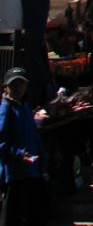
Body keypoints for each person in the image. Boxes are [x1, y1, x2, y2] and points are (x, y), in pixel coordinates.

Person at [0, 67, 48, 226]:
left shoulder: (25, 106)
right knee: (11, 215)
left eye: (21, 84)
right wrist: (19, 154)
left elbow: (34, 136)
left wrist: (42, 158)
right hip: (14, 173)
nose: (18, 88)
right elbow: (2, 141)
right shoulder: (6, 108)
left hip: (31, 170)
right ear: (6, 86)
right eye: (14, 85)